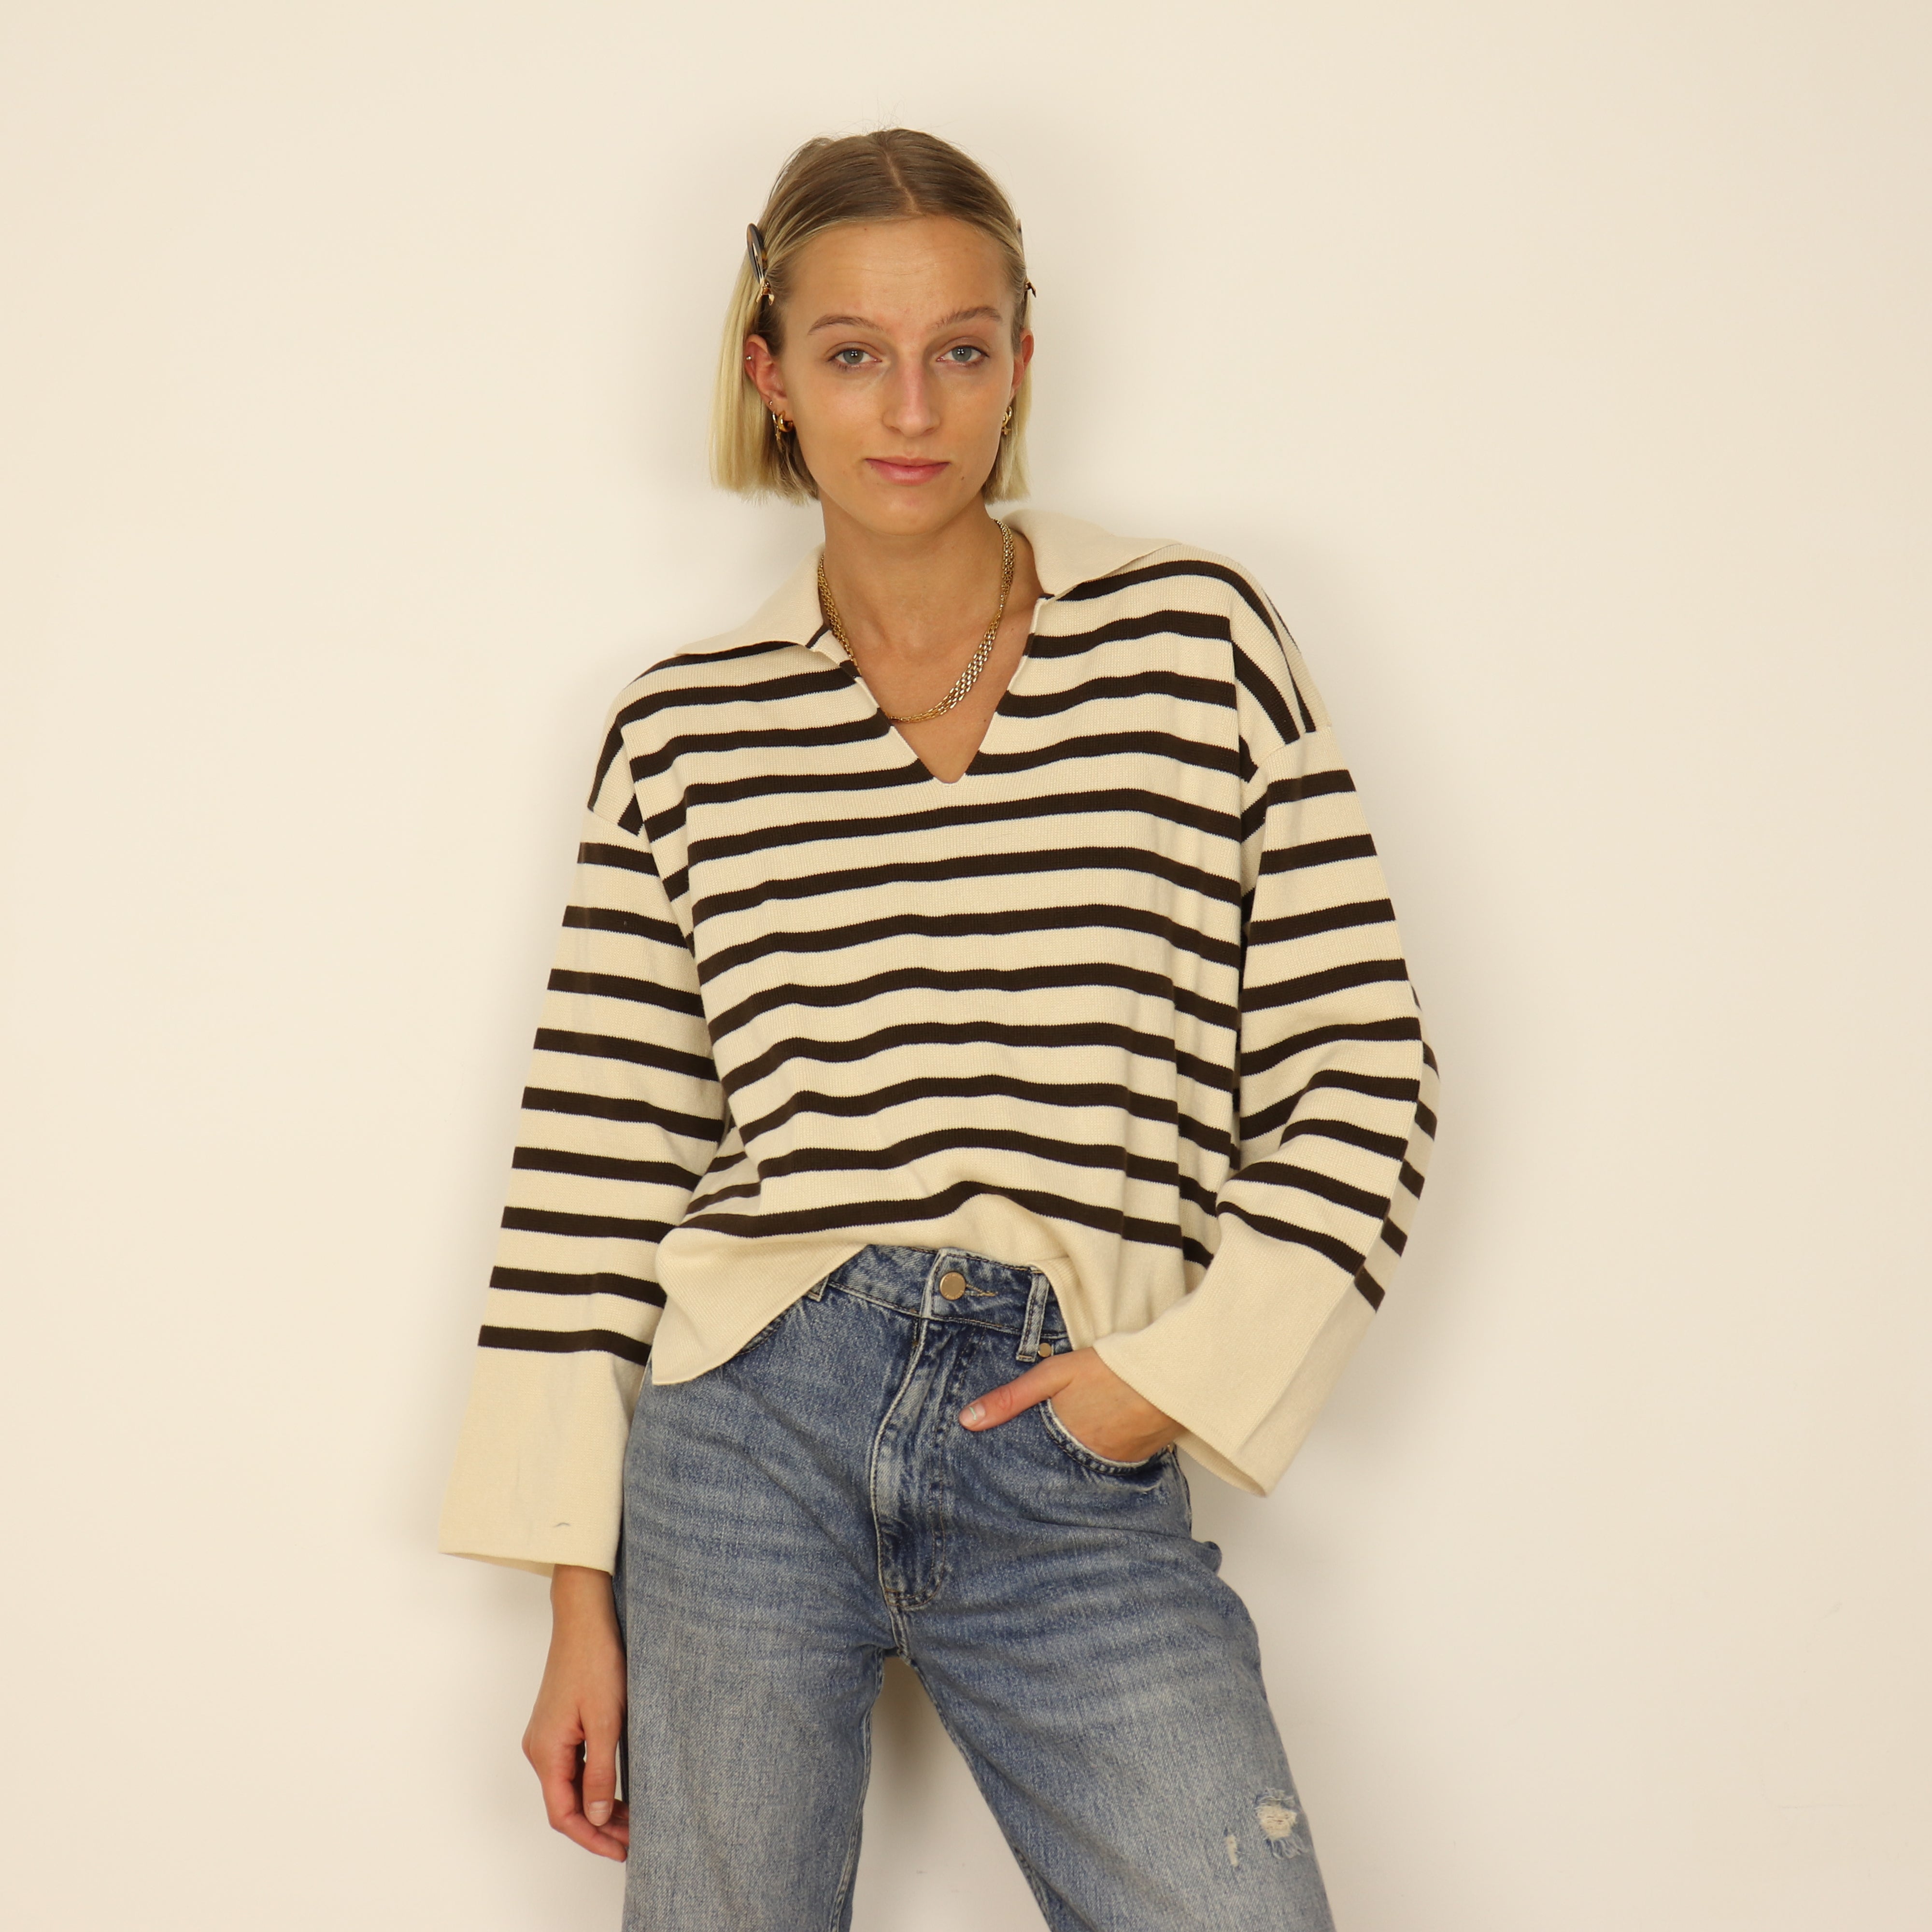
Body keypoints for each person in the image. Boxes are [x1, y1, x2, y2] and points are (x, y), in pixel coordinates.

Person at [439, 127, 1438, 1932]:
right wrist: (576, 1605)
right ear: (772, 374)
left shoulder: (1193, 643)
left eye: (960, 349)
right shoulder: (682, 733)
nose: (911, 407)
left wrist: (1162, 1388)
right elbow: (596, 1172)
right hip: (745, 1433)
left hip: (1066, 1419)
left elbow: (1363, 1066)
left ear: (1020, 363)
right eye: (853, 353)